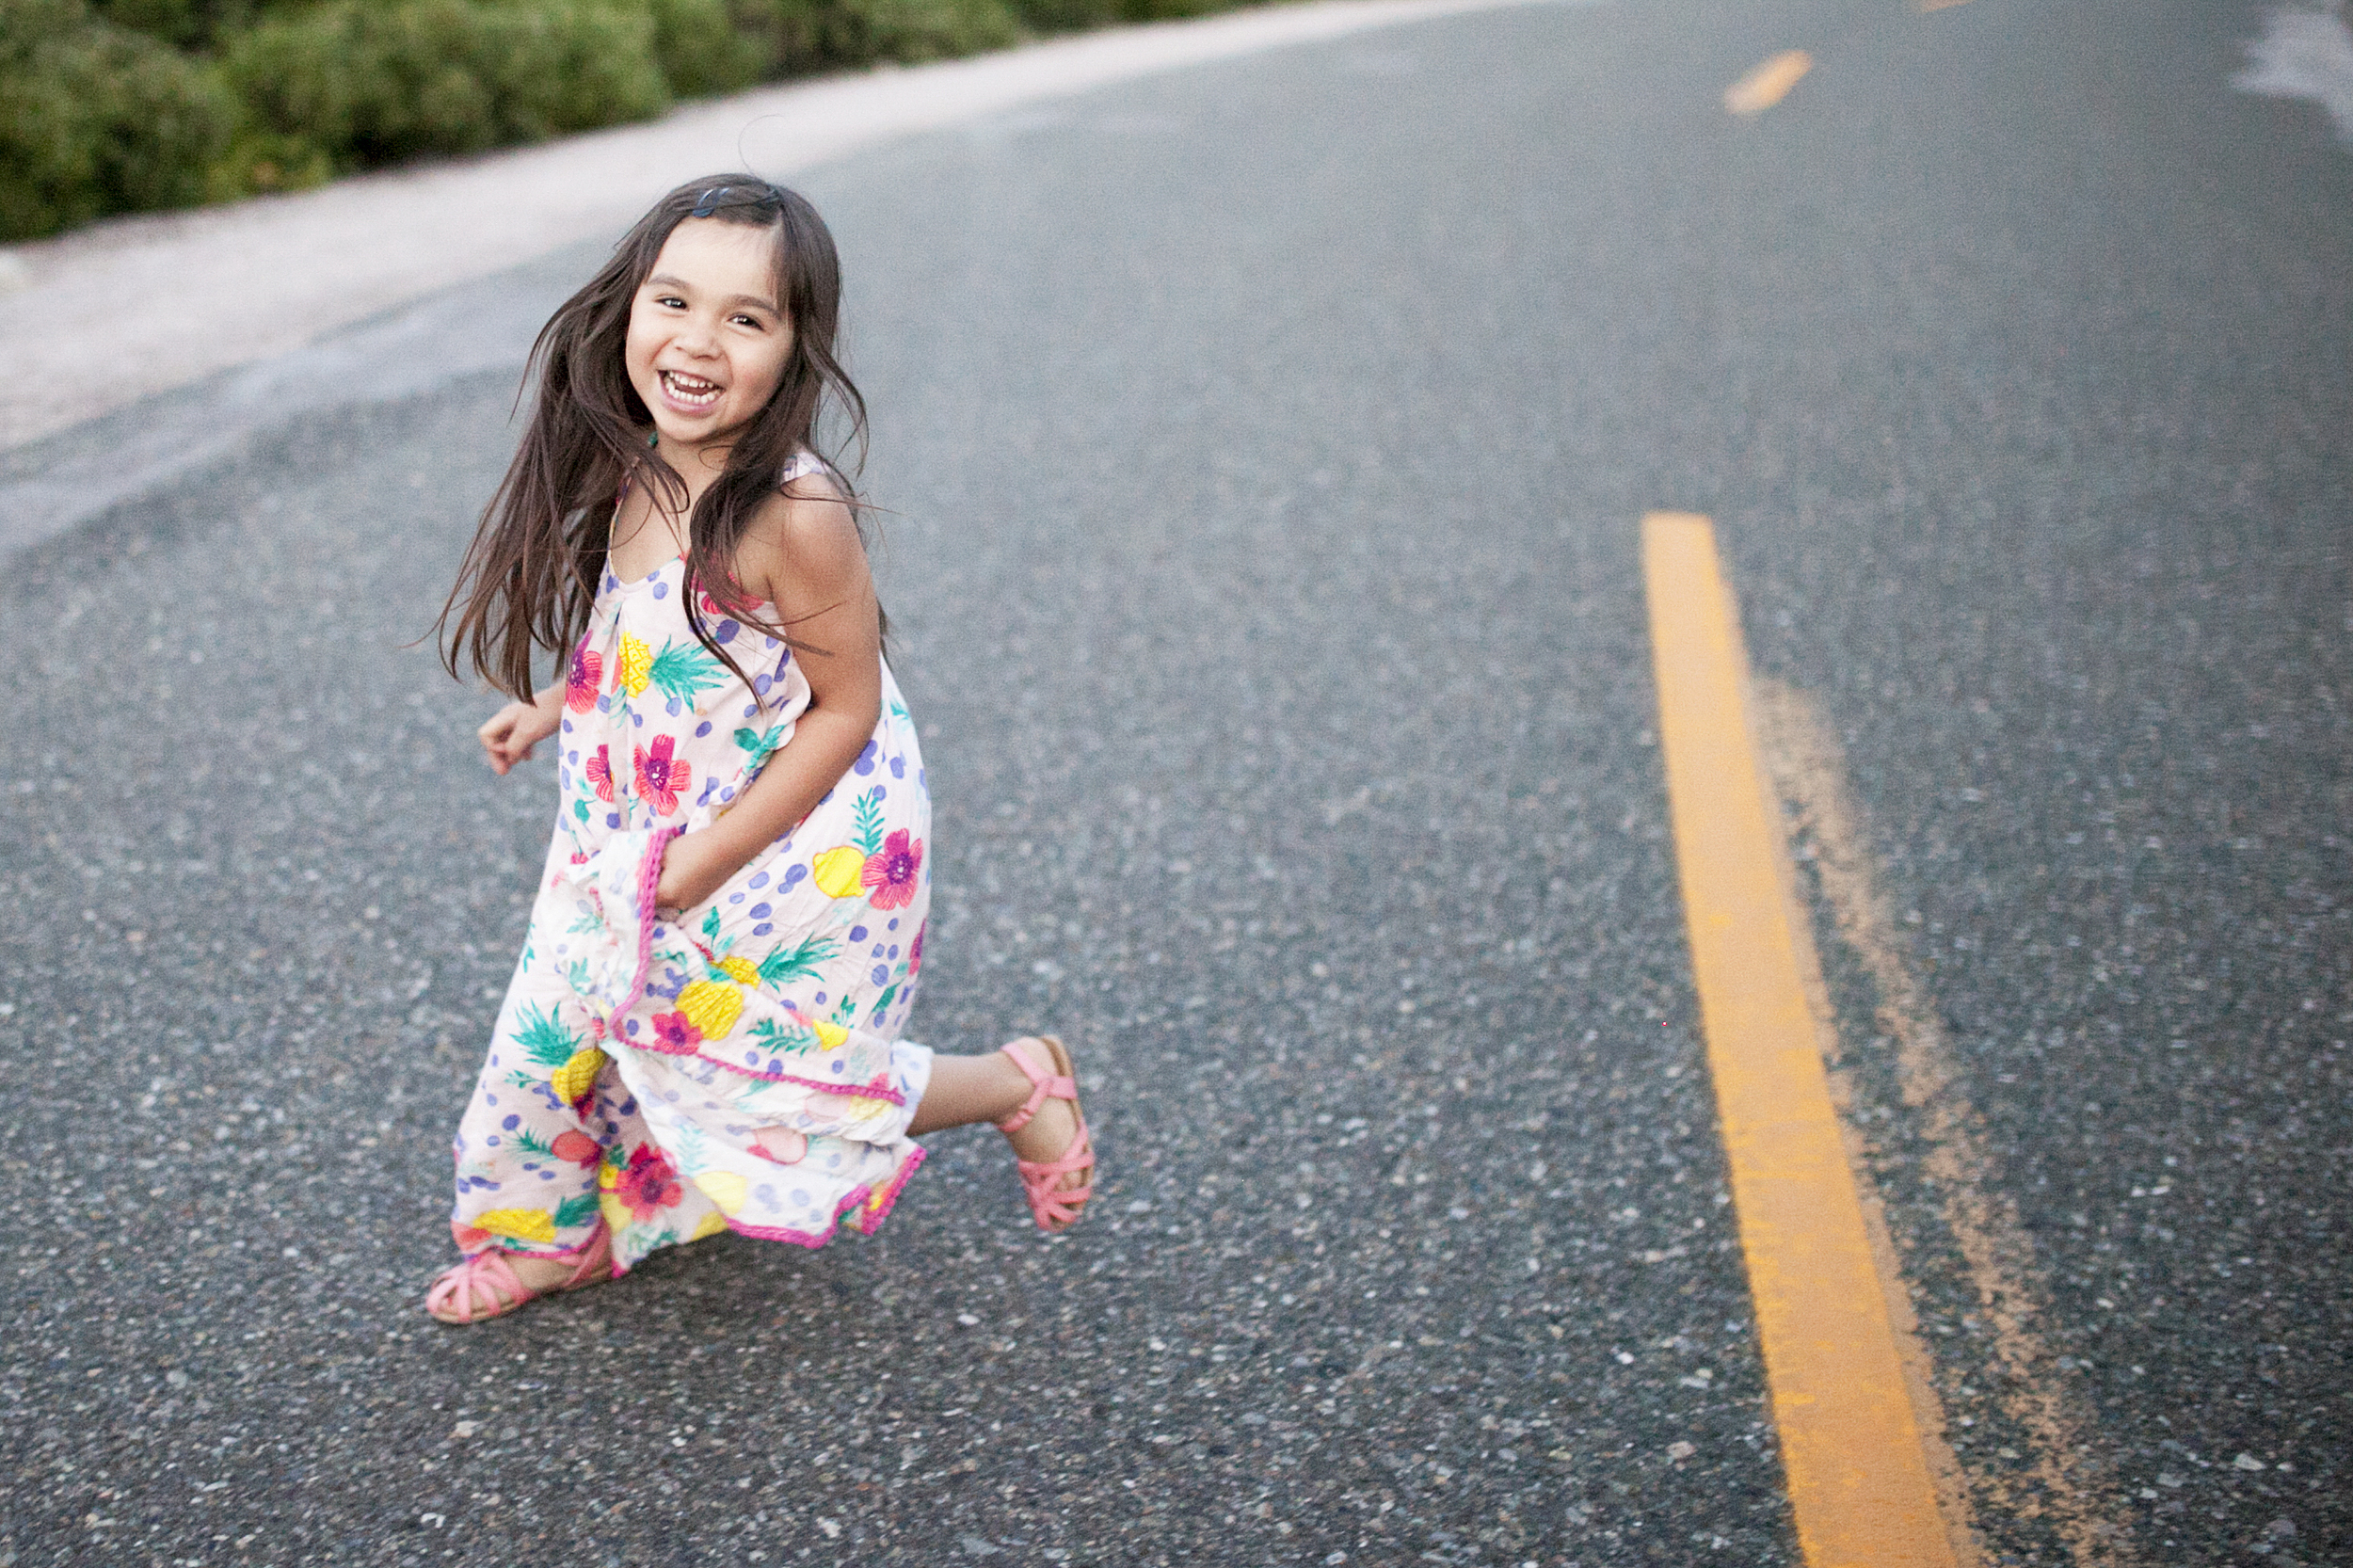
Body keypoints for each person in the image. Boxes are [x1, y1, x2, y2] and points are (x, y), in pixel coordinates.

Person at [423, 175, 1094, 1324]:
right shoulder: (632, 451)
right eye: (672, 302)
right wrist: (554, 701)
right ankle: (544, 1234)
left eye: (745, 318)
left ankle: (1012, 1082)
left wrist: (713, 859)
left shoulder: (792, 509)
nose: (696, 342)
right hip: (631, 820)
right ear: (627, 307)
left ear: (795, 349)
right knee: (548, 1037)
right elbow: (638, 624)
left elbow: (846, 706)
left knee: (768, 1069)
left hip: (785, 839)